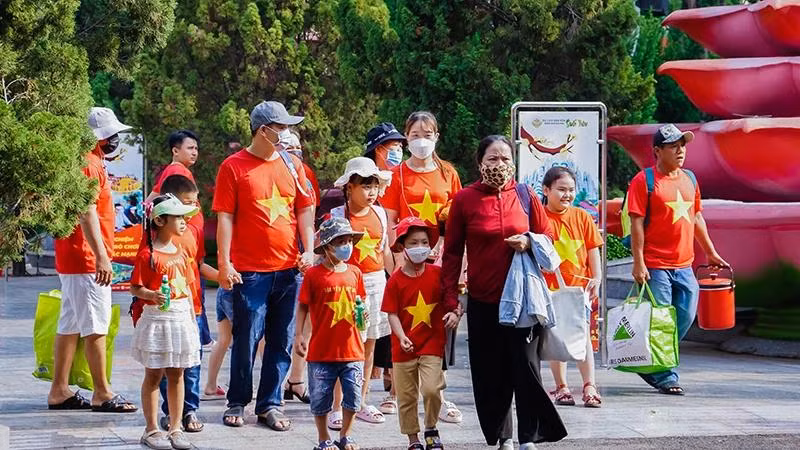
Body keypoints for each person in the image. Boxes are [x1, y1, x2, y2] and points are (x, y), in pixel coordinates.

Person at [442, 135, 567, 449]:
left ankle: (529, 437)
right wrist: (451, 298)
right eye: (493, 159)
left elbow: (547, 236)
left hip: (524, 302)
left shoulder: (525, 195)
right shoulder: (464, 200)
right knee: (490, 373)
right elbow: (452, 253)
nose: (500, 165)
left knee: (526, 369)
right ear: (480, 163)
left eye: (505, 159)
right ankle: (504, 437)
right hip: (483, 301)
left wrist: (528, 240)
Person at [212, 100, 315, 430]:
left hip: (288, 269)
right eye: (280, 127)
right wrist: (225, 263)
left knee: (281, 340)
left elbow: (304, 210)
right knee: (246, 339)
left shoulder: (292, 165)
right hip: (249, 271)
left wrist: (310, 250)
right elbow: (225, 217)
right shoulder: (233, 166)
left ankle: (270, 403)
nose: (285, 133)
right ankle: (238, 400)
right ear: (262, 130)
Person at [48, 107, 137, 414]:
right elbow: (87, 213)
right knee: (96, 325)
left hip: (74, 256)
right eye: (111, 135)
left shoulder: (85, 161)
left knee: (71, 325)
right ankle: (102, 392)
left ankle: (59, 389)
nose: (115, 140)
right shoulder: (88, 163)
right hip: (86, 259)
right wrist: (101, 256)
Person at [627, 124, 729, 395]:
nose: (680, 150)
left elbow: (697, 217)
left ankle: (649, 362)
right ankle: (666, 375)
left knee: (685, 315)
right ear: (657, 151)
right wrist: (638, 262)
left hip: (684, 264)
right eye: (673, 146)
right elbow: (636, 223)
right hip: (655, 265)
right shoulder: (644, 181)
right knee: (662, 320)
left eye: (682, 145)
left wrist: (711, 252)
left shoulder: (690, 179)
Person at [380, 111, 462, 422]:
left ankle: (438, 392)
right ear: (406, 138)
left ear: (437, 137)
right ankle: (396, 392)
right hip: (406, 258)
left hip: (440, 259)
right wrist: (396, 257)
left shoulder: (448, 172)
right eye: (415, 135)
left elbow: (457, 219)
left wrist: (452, 256)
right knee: (403, 319)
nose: (421, 141)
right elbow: (389, 220)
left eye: (427, 135)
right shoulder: (396, 175)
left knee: (437, 322)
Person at [153, 175, 226, 432]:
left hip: (192, 307)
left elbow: (198, 265)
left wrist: (222, 276)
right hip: (166, 311)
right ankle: (170, 412)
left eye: (195, 203)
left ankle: (190, 410)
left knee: (192, 360)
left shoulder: (193, 231)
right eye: (186, 203)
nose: (192, 209)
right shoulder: (154, 236)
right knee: (168, 361)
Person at [129, 194, 201, 450]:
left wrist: (193, 318)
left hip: (180, 319)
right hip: (158, 320)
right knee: (153, 374)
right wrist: (151, 295)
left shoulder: (181, 252)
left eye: (184, 217)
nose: (183, 222)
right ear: (160, 221)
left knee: (177, 373)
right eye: (178, 217)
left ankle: (176, 427)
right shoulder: (147, 255)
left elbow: (189, 287)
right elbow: (135, 287)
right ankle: (151, 429)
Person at [383, 217, 461, 450]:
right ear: (402, 247)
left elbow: (453, 300)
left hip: (432, 344)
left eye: (424, 242)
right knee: (406, 396)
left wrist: (455, 313)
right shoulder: (395, 280)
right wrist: (401, 336)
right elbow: (391, 314)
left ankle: (431, 428)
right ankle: (413, 439)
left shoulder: (438, 274)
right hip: (403, 349)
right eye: (414, 243)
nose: (420, 247)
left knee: (431, 389)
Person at [330, 157, 395, 426]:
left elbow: (385, 250)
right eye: (366, 186)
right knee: (343, 347)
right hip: (346, 286)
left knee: (369, 345)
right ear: (350, 187)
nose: (372, 192)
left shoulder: (380, 213)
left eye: (375, 186)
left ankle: (360, 401)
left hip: (376, 283)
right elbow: (328, 256)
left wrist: (395, 281)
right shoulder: (337, 216)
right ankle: (336, 406)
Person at [294, 217, 367, 450]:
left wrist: (363, 314)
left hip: (353, 350)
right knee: (319, 398)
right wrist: (299, 335)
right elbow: (303, 305)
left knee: (353, 396)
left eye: (349, 241)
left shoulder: (355, 272)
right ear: (326, 247)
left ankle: (346, 434)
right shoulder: (314, 275)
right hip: (321, 352)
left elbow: (360, 302)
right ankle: (323, 438)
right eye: (340, 242)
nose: (347, 246)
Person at [145, 130, 214, 352]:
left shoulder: (174, 171)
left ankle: (201, 341)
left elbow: (150, 201)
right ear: (175, 150)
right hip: (184, 253)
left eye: (196, 148)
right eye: (190, 148)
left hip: (187, 250)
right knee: (191, 308)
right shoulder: (177, 171)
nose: (195, 152)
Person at [541, 167, 603, 408]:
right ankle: (561, 386)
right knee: (557, 337)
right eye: (561, 189)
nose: (567, 194)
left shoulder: (582, 216)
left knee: (582, 334)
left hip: (579, 290)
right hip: (550, 289)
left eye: (571, 190)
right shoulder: (539, 219)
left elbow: (592, 248)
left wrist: (596, 277)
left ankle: (590, 386)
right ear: (546, 190)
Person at [362, 122, 406, 398]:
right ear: (378, 149)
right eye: (393, 146)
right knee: (369, 328)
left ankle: (392, 377)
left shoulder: (404, 175)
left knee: (394, 319)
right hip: (371, 263)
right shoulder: (363, 178)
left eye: (400, 146)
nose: (398, 151)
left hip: (399, 255)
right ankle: (361, 389)